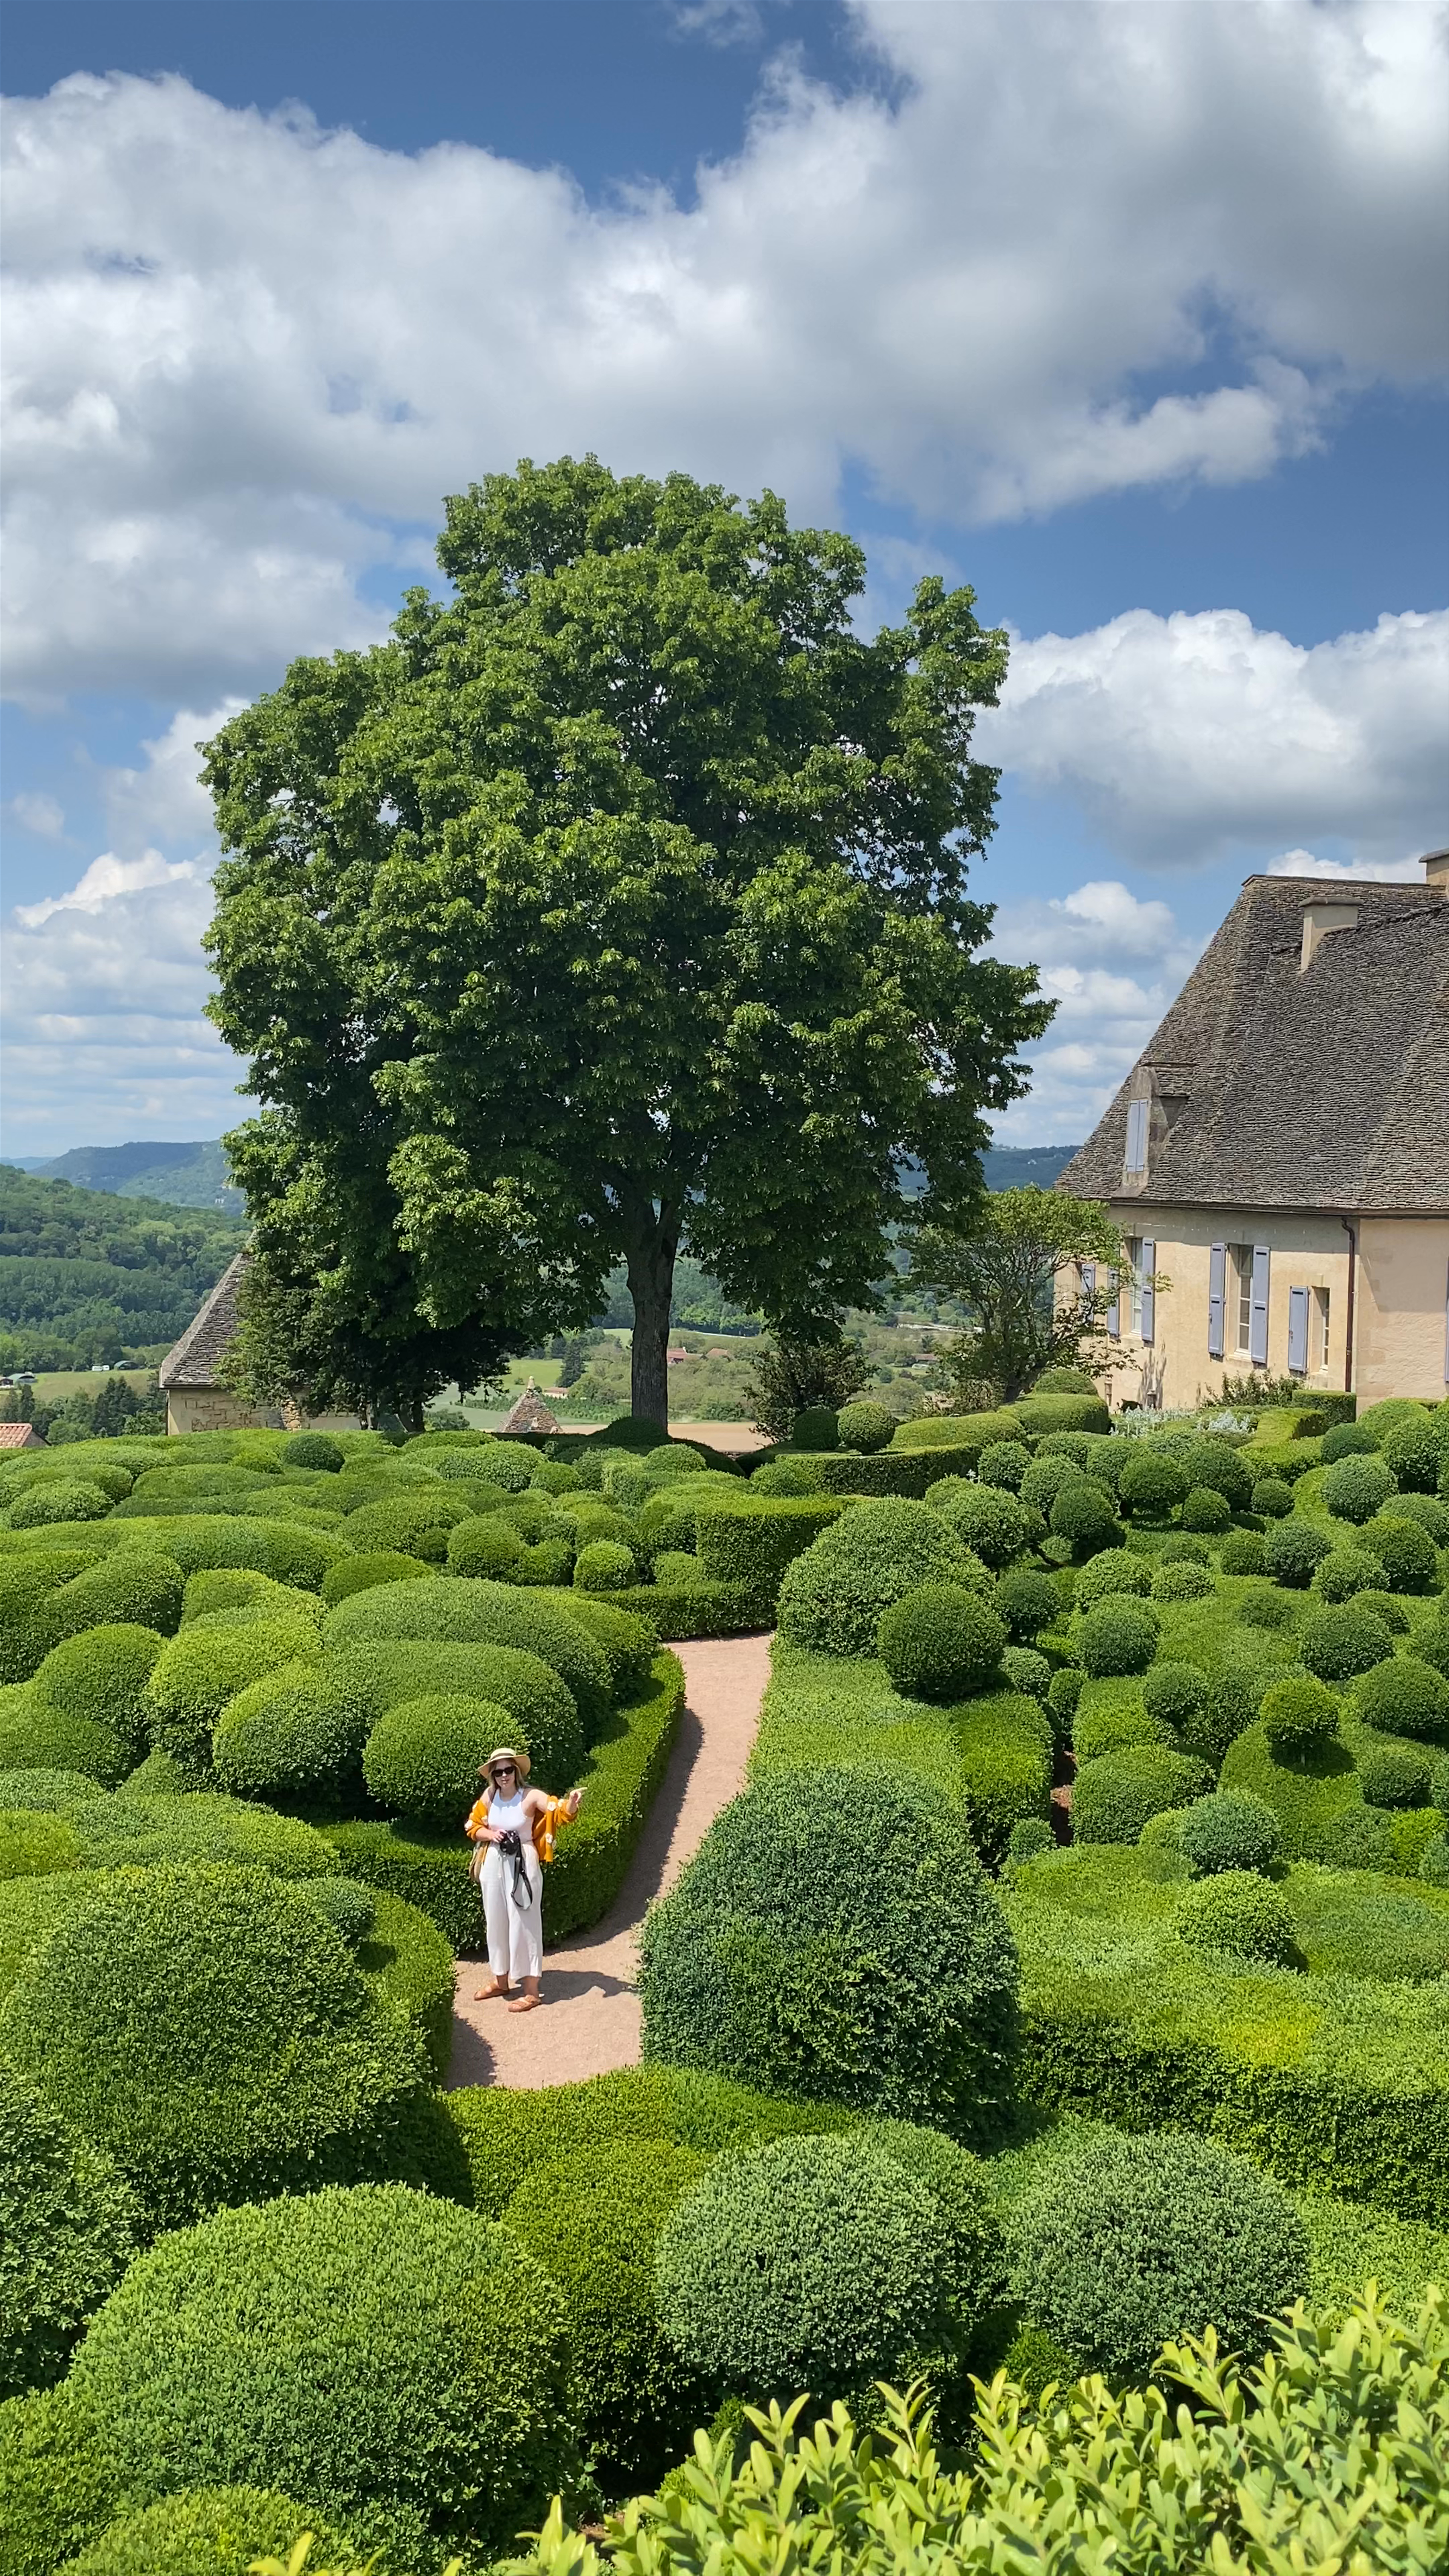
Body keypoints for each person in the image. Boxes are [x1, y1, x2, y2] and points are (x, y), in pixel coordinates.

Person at [466, 1747, 581, 2013]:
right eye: (498, 1772)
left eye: (508, 1770)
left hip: (522, 1863)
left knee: (525, 1923)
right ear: (493, 1776)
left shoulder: (530, 1796)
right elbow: (473, 1826)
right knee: (496, 1922)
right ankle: (501, 1980)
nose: (504, 1775)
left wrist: (572, 1803)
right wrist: (489, 1835)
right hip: (494, 1862)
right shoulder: (490, 1796)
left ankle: (531, 1992)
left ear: (516, 1771)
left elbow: (558, 1809)